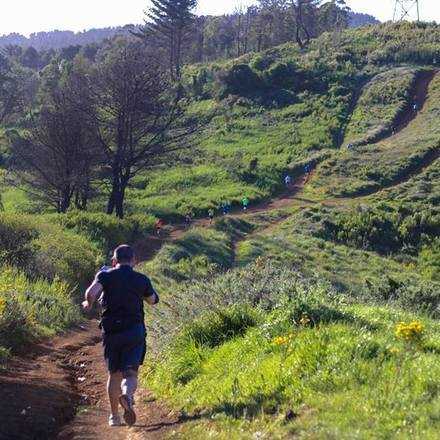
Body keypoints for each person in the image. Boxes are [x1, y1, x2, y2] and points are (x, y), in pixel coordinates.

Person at [82, 245, 159, 427]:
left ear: (114, 261)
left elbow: (91, 293)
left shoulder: (105, 275)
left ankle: (114, 417)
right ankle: (128, 396)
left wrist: (89, 303)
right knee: (130, 373)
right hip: (134, 330)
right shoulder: (141, 279)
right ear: (134, 261)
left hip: (112, 332)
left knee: (114, 374)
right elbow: (152, 300)